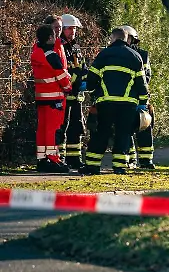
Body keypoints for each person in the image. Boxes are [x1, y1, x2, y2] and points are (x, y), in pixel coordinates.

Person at [82, 27, 149, 175]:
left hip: (106, 102)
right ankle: (119, 167)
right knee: (123, 134)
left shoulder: (104, 54)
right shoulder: (135, 56)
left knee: (101, 133)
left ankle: (92, 166)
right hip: (128, 104)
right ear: (126, 39)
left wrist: (93, 91)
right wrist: (143, 103)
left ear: (112, 38)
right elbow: (142, 83)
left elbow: (92, 79)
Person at [30, 25, 73, 173]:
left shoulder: (36, 52)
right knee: (53, 131)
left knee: (42, 130)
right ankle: (53, 159)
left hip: (41, 97)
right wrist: (69, 87)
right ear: (50, 38)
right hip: (54, 98)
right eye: (54, 35)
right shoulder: (51, 55)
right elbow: (61, 76)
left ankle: (42, 159)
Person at [122, 25, 156, 169]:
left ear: (133, 39)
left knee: (145, 128)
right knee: (126, 128)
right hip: (126, 97)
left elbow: (146, 77)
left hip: (140, 97)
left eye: (128, 38)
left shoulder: (143, 55)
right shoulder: (119, 53)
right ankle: (131, 159)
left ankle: (146, 160)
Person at [58, 14, 88, 170]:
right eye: (70, 28)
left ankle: (74, 158)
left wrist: (85, 79)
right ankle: (60, 158)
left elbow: (82, 67)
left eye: (75, 29)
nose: (73, 31)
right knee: (62, 127)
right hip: (64, 95)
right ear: (62, 29)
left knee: (76, 127)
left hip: (76, 97)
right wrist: (75, 80)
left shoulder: (76, 47)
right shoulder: (59, 47)